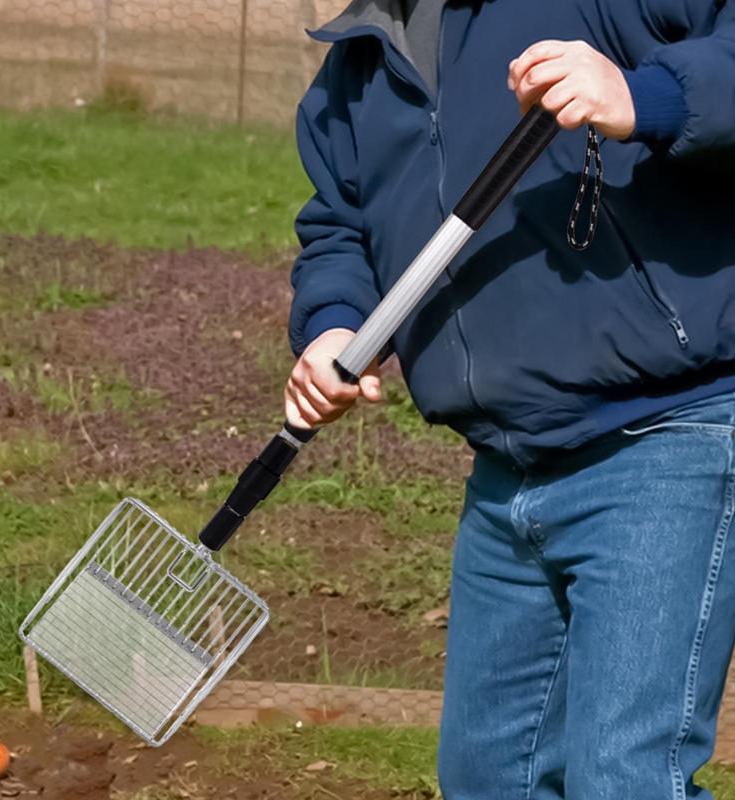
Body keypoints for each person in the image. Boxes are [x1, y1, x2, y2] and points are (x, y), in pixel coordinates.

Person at [284, 1, 735, 797]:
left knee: (623, 777)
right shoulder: (354, 71)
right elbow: (340, 227)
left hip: (666, 438)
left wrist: (647, 96)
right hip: (505, 474)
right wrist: (333, 325)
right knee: (491, 778)